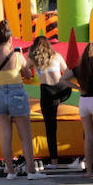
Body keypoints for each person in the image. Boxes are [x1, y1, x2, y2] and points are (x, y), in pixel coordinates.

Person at [0, 20, 41, 181]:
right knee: (25, 136)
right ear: (10, 40)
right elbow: (29, 75)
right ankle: (31, 171)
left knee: (5, 136)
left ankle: (10, 171)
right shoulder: (17, 56)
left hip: (0, 94)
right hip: (17, 93)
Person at [61, 43, 93, 177]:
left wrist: (76, 87)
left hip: (84, 101)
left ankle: (89, 170)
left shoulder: (79, 68)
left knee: (88, 137)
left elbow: (62, 79)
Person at [27, 35, 70, 170]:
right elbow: (67, 71)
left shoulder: (34, 58)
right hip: (61, 89)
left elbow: (26, 71)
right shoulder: (56, 56)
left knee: (50, 127)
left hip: (47, 91)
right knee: (52, 124)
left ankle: (54, 161)